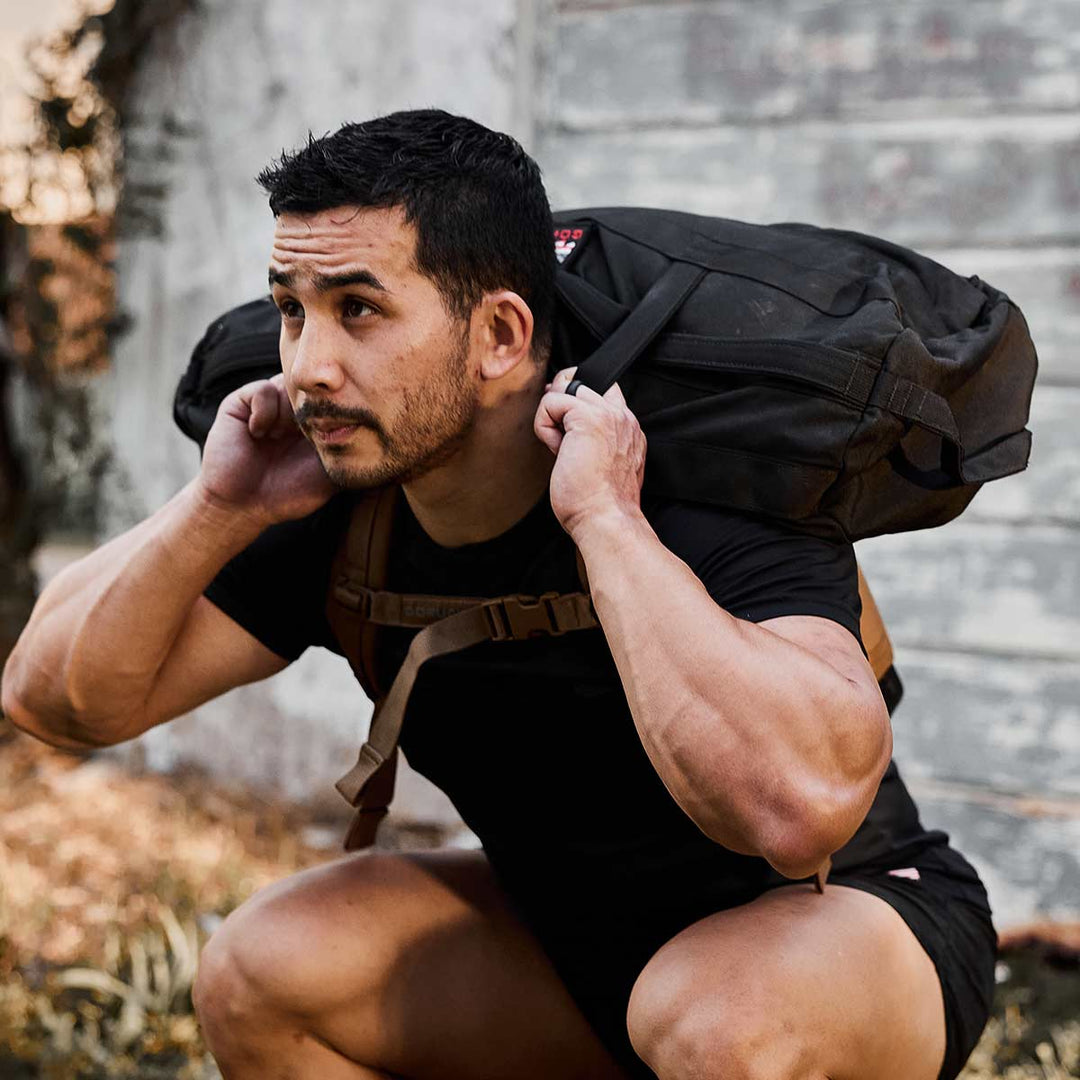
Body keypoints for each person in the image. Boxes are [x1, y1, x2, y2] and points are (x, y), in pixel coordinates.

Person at [1, 110, 996, 1080]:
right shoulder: (346, 499)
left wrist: (608, 525)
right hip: (573, 948)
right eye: (291, 309)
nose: (307, 367)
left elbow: (801, 812)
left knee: (718, 1026)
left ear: (501, 336)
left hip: (845, 931)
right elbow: (58, 700)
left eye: (359, 309)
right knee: (266, 971)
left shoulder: (696, 484)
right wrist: (218, 506)